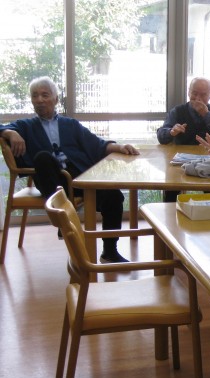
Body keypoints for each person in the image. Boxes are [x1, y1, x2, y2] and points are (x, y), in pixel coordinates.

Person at [0, 76, 139, 263]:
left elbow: (97, 145)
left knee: (114, 196)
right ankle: (62, 216)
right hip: (51, 180)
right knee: (42, 157)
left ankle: (109, 251)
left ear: (56, 99)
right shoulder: (25, 126)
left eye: (45, 95)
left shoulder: (70, 125)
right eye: (35, 96)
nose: (39, 100)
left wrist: (120, 147)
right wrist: (10, 132)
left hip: (78, 178)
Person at [157, 77, 210, 202]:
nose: (198, 98)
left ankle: (209, 212)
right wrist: (171, 131)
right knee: (171, 191)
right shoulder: (178, 111)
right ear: (188, 92)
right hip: (179, 163)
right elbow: (161, 136)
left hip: (208, 161)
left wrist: (206, 115)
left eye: (203, 95)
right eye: (194, 93)